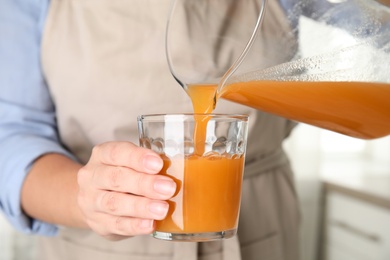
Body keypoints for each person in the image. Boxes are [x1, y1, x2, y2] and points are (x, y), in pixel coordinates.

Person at [0, 0, 300, 259]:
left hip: (262, 226)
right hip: (99, 247)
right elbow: (10, 135)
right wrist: (90, 200)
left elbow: (343, 18)